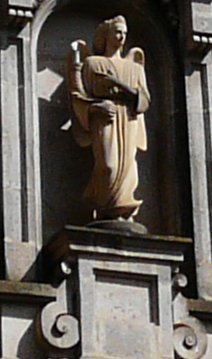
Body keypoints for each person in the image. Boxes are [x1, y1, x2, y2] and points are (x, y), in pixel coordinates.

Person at [62, 17, 150, 222]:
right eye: (117, 32)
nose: (121, 37)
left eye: (124, 33)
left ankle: (123, 211)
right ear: (106, 35)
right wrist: (95, 108)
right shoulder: (93, 63)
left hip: (128, 119)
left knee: (128, 166)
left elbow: (144, 101)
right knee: (108, 165)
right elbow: (78, 95)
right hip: (104, 118)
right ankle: (102, 208)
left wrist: (119, 84)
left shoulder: (135, 68)